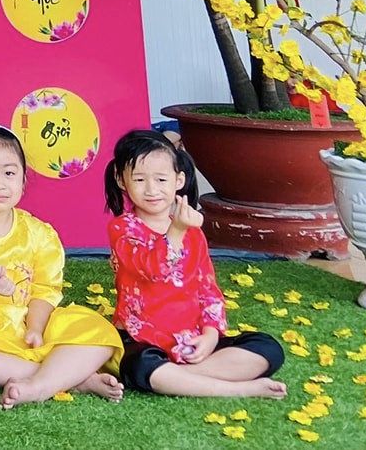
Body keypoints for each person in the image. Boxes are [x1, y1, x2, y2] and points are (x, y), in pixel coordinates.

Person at [0, 124, 122, 407]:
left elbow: (45, 289)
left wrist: (35, 328)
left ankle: (43, 382)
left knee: (99, 330)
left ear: (23, 178)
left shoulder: (39, 233)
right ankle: (72, 379)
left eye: (9, 173)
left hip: (29, 322)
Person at [104, 130, 287, 399]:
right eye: (140, 180)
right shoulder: (123, 228)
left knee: (268, 348)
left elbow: (207, 288)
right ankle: (236, 389)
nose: (151, 190)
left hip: (191, 339)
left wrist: (210, 335)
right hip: (141, 338)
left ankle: (178, 378)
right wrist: (176, 231)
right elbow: (152, 269)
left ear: (179, 180)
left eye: (161, 179)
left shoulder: (192, 232)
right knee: (141, 364)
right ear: (121, 180)